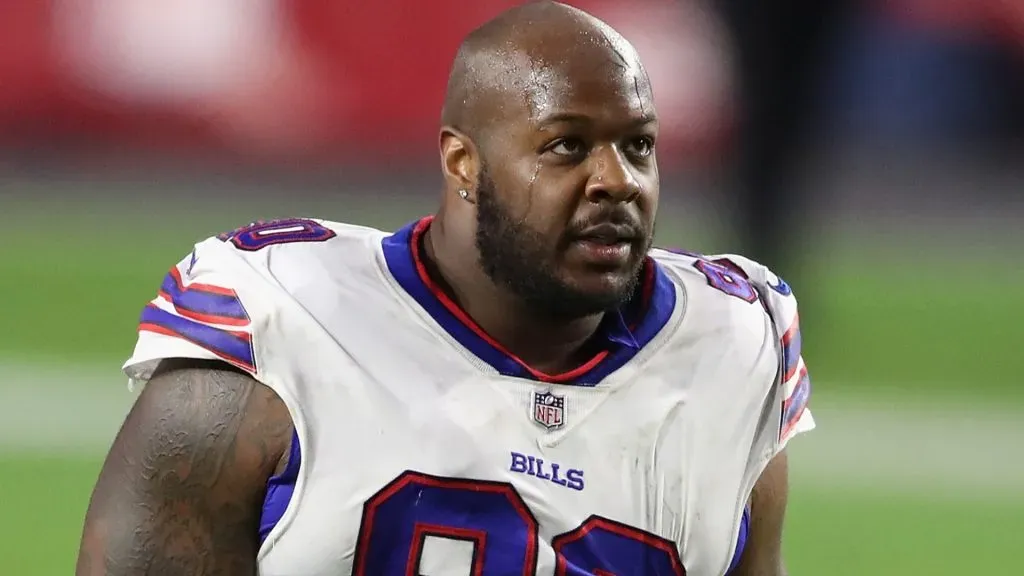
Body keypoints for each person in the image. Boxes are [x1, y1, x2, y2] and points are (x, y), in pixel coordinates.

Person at [76, 2, 814, 574]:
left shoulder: (733, 343)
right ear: (464, 162)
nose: (616, 181)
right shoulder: (282, 320)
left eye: (638, 146)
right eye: (567, 147)